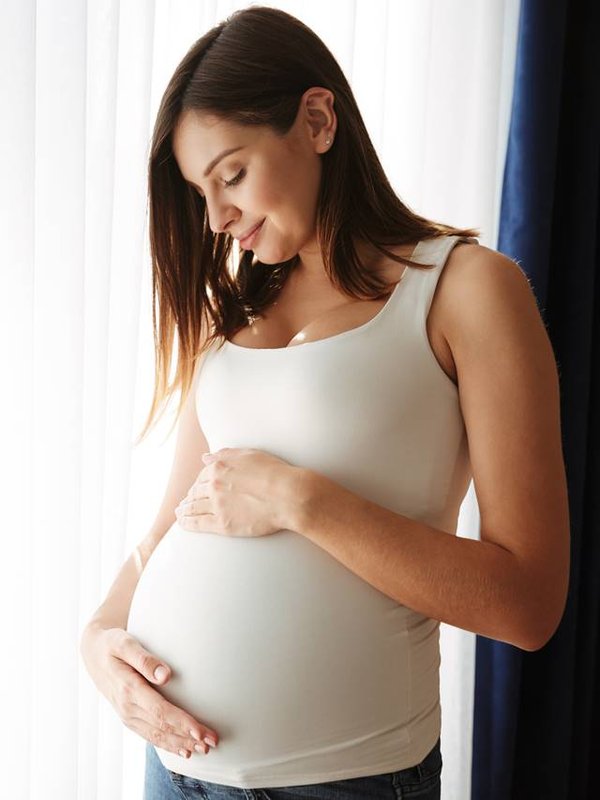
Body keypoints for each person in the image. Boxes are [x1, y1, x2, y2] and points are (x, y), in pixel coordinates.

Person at [79, 6, 570, 800]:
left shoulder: (466, 290)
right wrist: (99, 638)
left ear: (316, 120)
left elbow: (529, 601)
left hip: (345, 781)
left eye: (231, 175)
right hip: (175, 773)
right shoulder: (231, 316)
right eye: (200, 192)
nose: (216, 219)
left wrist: (301, 500)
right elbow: (173, 522)